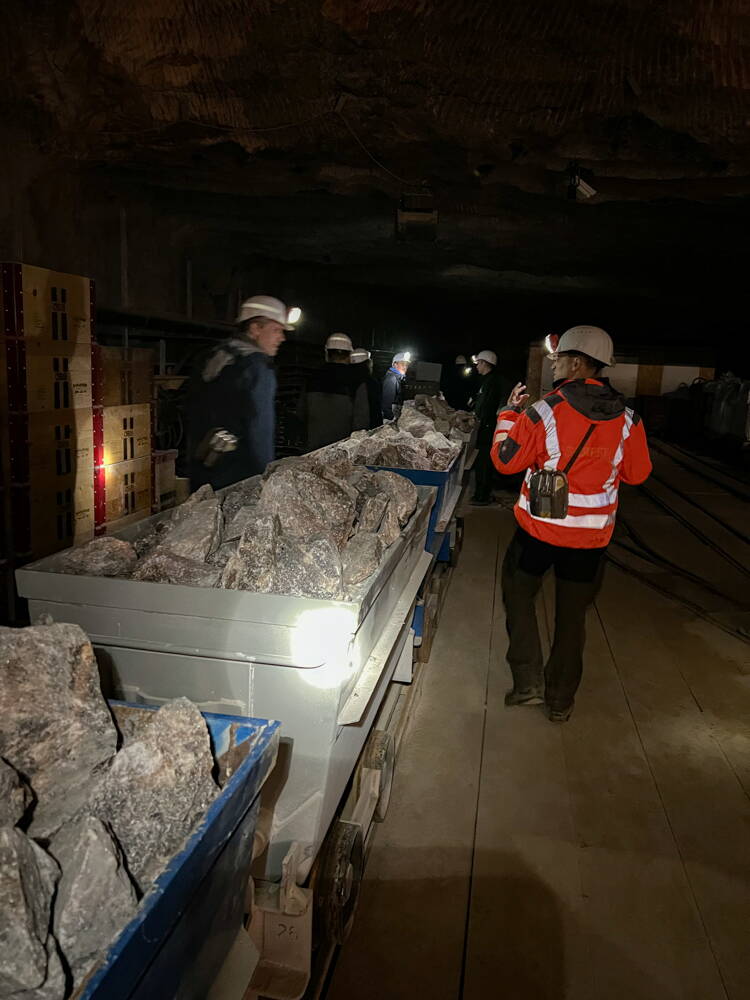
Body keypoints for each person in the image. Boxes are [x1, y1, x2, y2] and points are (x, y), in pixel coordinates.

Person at [491, 325, 652, 722]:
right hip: (591, 542)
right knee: (572, 618)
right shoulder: (629, 419)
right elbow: (637, 474)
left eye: (560, 357)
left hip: (539, 534)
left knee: (518, 593)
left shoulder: (545, 409)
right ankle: (560, 700)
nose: (555, 363)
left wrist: (508, 416)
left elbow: (505, 461)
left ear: (577, 363)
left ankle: (527, 682)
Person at [188, 294, 292, 490]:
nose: (282, 338)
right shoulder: (256, 368)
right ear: (255, 328)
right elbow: (260, 429)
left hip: (203, 468)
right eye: (276, 330)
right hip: (240, 476)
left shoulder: (214, 356)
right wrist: (266, 477)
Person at [299, 333, 370, 451]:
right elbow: (361, 423)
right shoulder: (356, 381)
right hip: (341, 454)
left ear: (327, 353)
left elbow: (301, 413)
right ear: (349, 355)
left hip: (312, 451)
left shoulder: (311, 378)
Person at [471, 350, 510, 505]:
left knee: (484, 463)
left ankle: (482, 496)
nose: (476, 367)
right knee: (482, 462)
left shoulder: (492, 382)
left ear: (485, 363)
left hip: (487, 429)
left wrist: (479, 419)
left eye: (478, 363)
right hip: (485, 427)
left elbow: (487, 407)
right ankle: (481, 493)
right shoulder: (487, 381)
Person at [351, 347, 383, 429]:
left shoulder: (346, 381)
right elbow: (375, 410)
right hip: (368, 428)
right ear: (368, 363)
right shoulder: (371, 383)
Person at [382, 352, 410, 420]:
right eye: (402, 364)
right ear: (395, 365)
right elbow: (386, 403)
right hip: (390, 418)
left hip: (394, 414)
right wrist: (391, 419)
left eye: (406, 364)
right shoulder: (392, 379)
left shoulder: (398, 378)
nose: (405, 367)